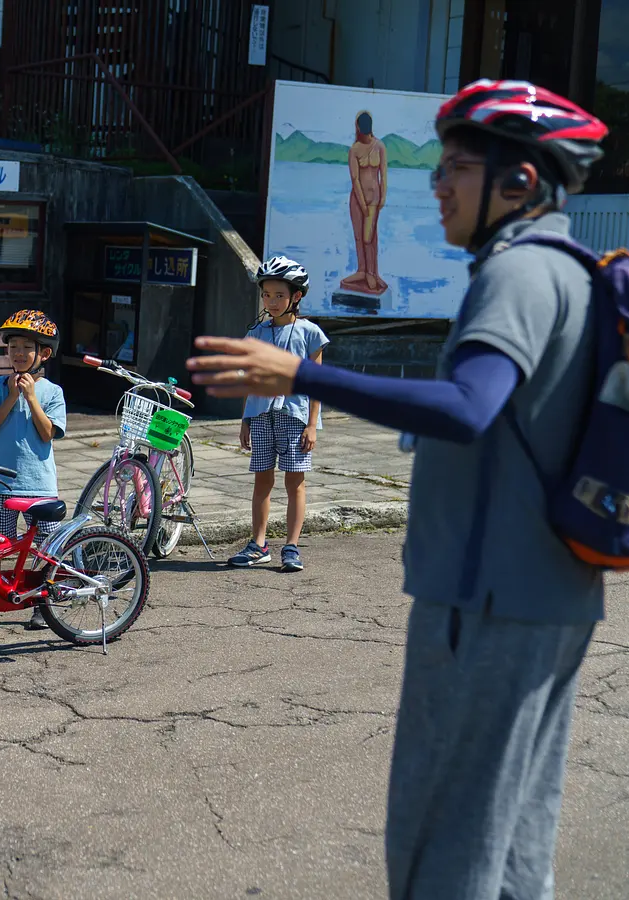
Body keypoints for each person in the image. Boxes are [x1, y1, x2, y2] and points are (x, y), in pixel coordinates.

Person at [188, 79, 608, 900]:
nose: (435, 184)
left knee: (444, 837)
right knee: (514, 836)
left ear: (518, 183)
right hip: (543, 590)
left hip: (484, 596)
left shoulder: (517, 274)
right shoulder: (567, 269)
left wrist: (300, 373)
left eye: (456, 167)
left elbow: (467, 408)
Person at [0, 310, 68, 633]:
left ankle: (42, 601)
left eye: (27, 347)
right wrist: (12, 396)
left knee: (45, 545)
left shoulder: (53, 392)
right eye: (13, 347)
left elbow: (47, 433)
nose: (19, 353)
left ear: (44, 353)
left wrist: (31, 397)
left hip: (38, 483)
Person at [228, 256, 328, 573]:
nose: (271, 301)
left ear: (296, 296)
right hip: (261, 417)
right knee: (262, 482)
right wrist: (245, 419)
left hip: (295, 418)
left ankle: (292, 547)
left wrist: (312, 425)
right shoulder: (256, 333)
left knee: (295, 483)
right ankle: (259, 544)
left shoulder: (310, 333)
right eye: (266, 294)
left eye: (279, 295)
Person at [342, 110, 390, 295]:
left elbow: (383, 175)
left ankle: (372, 272)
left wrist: (382, 197)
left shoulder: (380, 146)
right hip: (357, 199)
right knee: (359, 236)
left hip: (374, 199)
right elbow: (355, 179)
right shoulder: (354, 150)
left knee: (369, 237)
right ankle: (362, 270)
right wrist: (362, 204)